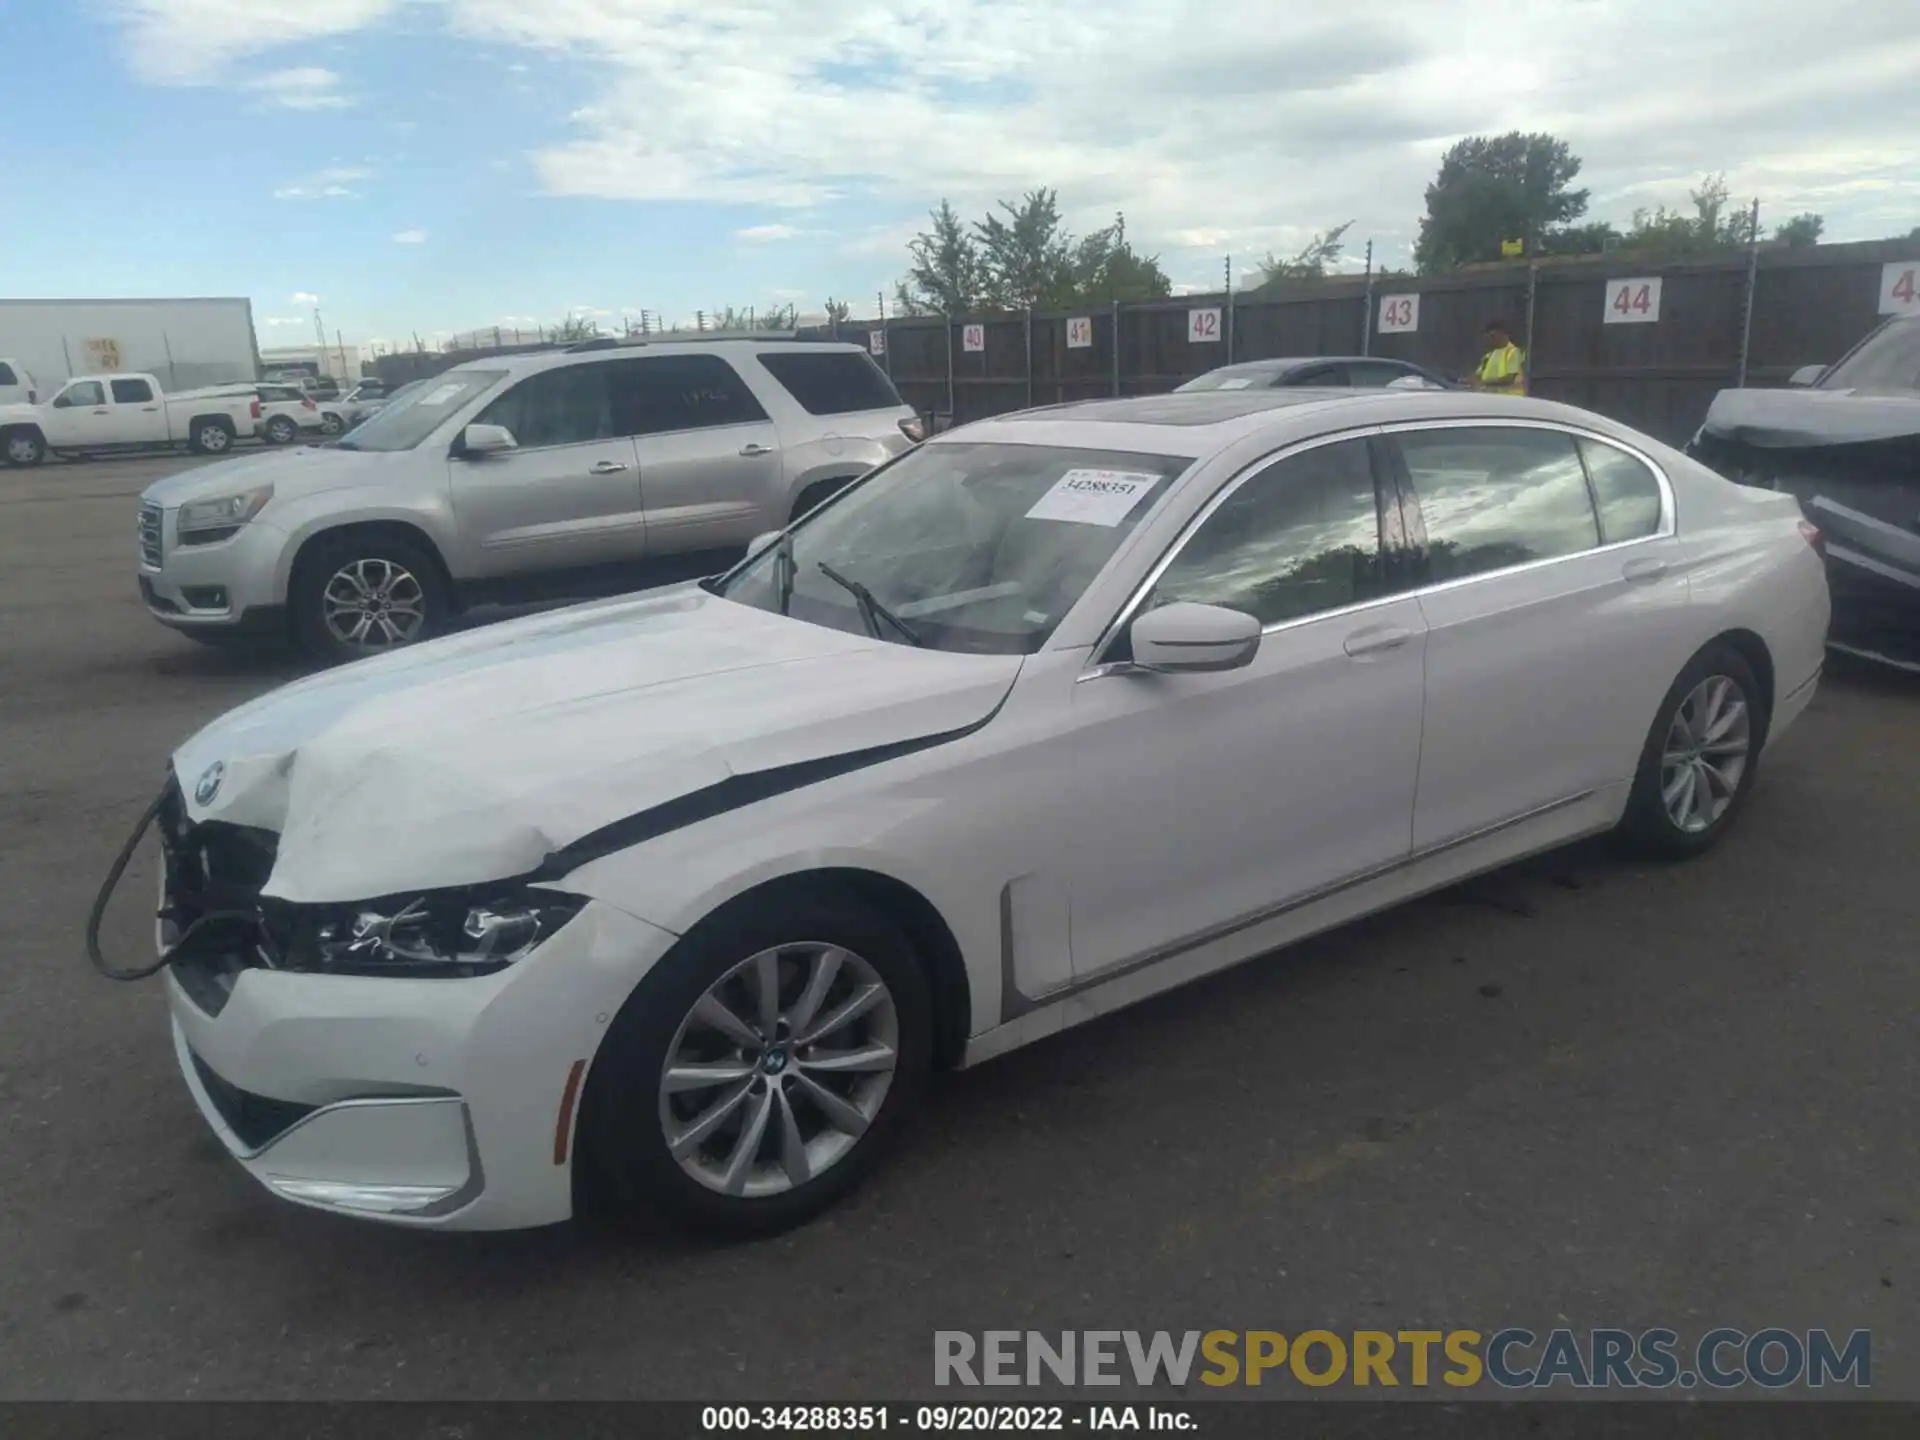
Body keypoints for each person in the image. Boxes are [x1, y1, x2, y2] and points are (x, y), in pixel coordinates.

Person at [1471, 319, 1527, 395]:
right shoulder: (1489, 355)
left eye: (1493, 336)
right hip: (1494, 398)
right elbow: (1478, 376)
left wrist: (1484, 383)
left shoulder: (1513, 352)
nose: (1490, 339)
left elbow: (1509, 379)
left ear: (1503, 334)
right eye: (1488, 337)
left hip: (1511, 399)